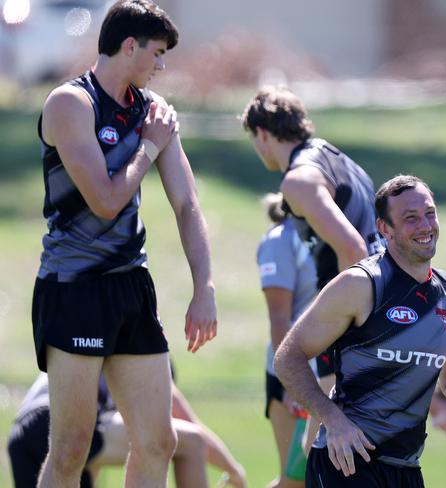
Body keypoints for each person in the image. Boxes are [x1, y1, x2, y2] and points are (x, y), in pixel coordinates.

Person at [32, 1, 217, 486]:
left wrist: (205, 287)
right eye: (156, 54)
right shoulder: (71, 104)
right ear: (129, 45)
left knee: (159, 441)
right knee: (72, 449)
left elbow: (187, 205)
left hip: (131, 289)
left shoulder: (152, 112)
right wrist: (149, 146)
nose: (162, 66)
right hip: (74, 289)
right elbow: (105, 201)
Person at [274, 175, 446, 487]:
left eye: (430, 213)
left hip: (405, 468)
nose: (426, 226)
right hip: (347, 464)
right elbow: (287, 357)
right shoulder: (360, 285)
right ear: (384, 228)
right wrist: (332, 419)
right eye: (410, 218)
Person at [241, 85, 384, 453]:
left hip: (358, 319)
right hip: (386, 302)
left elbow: (351, 248)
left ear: (262, 134)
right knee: (318, 450)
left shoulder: (299, 179)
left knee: (326, 449)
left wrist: (347, 330)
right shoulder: (337, 157)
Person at [7, 373, 247, 488]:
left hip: (20, 438)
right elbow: (195, 433)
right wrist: (234, 471)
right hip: (54, 420)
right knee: (190, 442)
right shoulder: (146, 368)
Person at [257, 193, 318, 488]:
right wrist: (294, 381)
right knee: (294, 481)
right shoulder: (280, 240)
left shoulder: (333, 232)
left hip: (330, 375)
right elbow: (280, 319)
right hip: (292, 375)